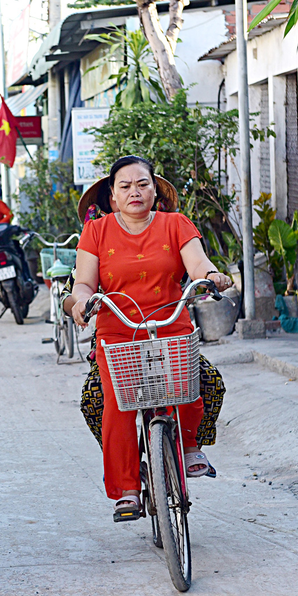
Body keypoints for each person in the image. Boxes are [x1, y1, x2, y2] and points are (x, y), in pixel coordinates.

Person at [69, 155, 234, 522]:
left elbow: (198, 264)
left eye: (142, 184)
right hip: (117, 333)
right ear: (112, 196)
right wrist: (81, 301)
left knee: (201, 383)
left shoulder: (176, 224)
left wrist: (212, 275)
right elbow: (83, 283)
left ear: (155, 189)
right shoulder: (96, 232)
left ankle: (190, 447)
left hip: (170, 325)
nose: (134, 192)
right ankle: (128, 489)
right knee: (111, 404)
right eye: (124, 186)